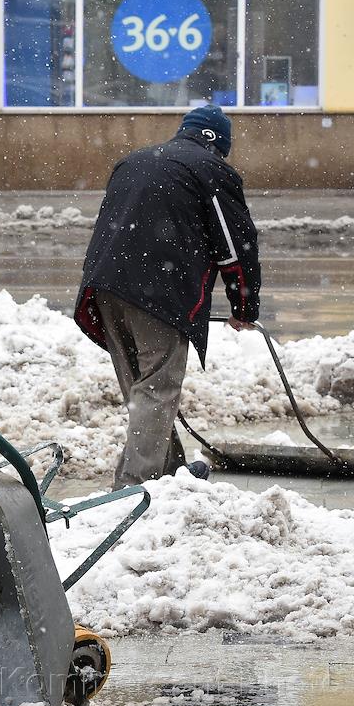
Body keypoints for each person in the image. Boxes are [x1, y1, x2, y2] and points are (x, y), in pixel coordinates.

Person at [73, 105, 261, 490]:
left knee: (143, 390)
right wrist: (244, 307)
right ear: (220, 145)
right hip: (158, 292)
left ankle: (170, 476)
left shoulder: (133, 162)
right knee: (156, 390)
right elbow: (235, 248)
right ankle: (133, 489)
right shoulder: (212, 171)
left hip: (105, 286)